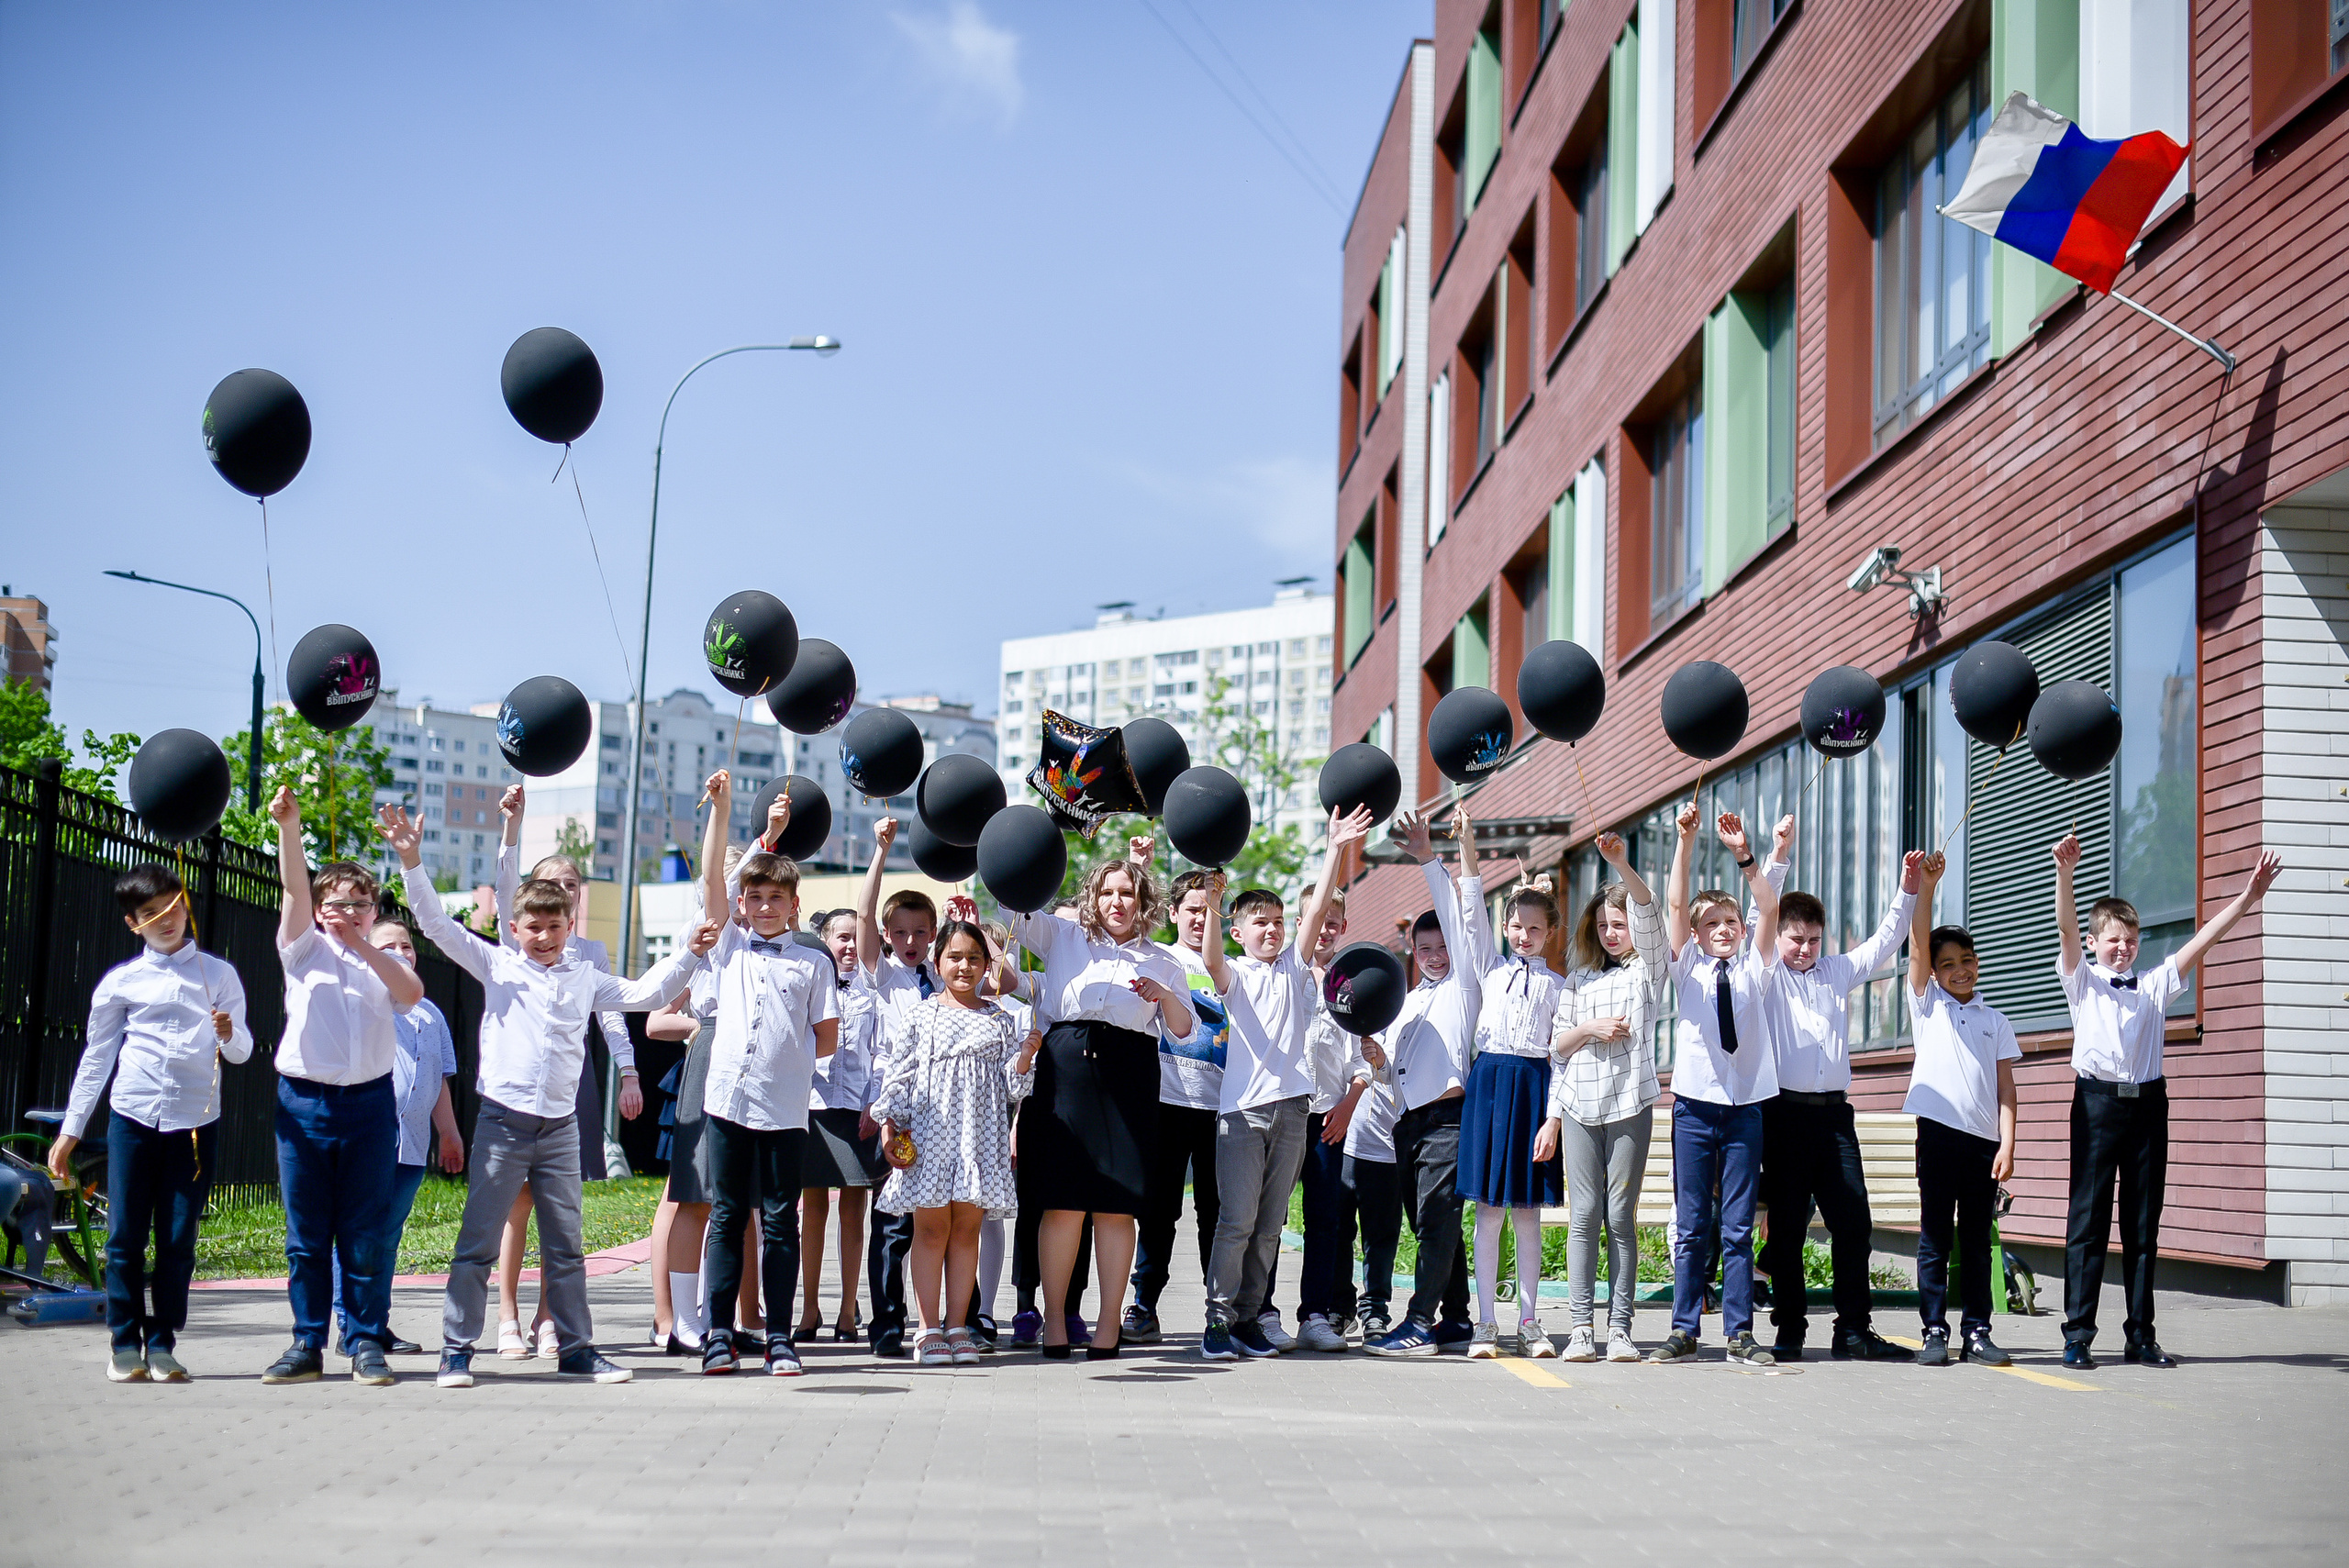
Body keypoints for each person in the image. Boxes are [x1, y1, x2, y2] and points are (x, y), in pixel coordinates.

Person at [380, 802, 709, 1389]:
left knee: (567, 1247)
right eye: (533, 927)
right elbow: (433, 922)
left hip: (560, 1129)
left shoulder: (584, 976)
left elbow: (648, 990)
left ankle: (578, 1350)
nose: (544, 937)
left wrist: (693, 950)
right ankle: (457, 1351)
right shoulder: (498, 965)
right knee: (479, 1240)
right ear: (514, 929)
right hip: (503, 1124)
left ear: (569, 927)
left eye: (555, 927)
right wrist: (411, 860)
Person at [2053, 833, 2282, 1369]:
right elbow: (2065, 927)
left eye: (2130, 940)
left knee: (2141, 1224)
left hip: (2148, 1108)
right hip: (2096, 1104)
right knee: (2087, 1224)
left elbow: (2202, 941)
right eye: (2112, 940)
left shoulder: (2154, 985)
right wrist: (2065, 876)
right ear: (2094, 943)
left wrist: (2246, 900)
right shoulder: (2082, 983)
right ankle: (2078, 1335)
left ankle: (2140, 1335)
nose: (2123, 948)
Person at [50, 862, 252, 1383]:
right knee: (124, 1237)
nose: (166, 919)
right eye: (150, 913)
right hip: (133, 1116)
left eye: (172, 905)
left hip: (194, 1123)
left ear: (186, 905)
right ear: (132, 923)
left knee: (179, 1238)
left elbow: (242, 1054)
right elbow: (97, 1057)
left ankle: (162, 1343)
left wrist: (229, 1033)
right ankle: (123, 1344)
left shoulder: (219, 974)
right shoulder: (121, 982)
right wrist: (71, 1131)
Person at [261, 787, 424, 1386]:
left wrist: (363, 943)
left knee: (363, 1232)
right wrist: (291, 826)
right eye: (338, 900)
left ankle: (363, 1340)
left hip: (368, 1106)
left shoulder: (382, 962)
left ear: (374, 908)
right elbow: (293, 889)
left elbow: (411, 995)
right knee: (306, 1235)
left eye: (362, 902)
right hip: (303, 1104)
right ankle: (306, 1342)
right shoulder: (301, 949)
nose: (350, 910)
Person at [1196, 806, 1368, 1361]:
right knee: (1236, 1221)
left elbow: (1318, 908)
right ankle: (1218, 1320)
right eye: (1259, 923)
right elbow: (1211, 955)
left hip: (1293, 1110)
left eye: (1277, 921)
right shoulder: (1236, 974)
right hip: (1243, 1115)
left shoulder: (1296, 966)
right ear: (1241, 931)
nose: (1271, 929)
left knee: (1269, 1226)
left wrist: (1335, 848)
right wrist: (1217, 902)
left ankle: (1249, 1318)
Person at [1009, 859, 1196, 1358]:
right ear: (1092, 897)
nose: (1117, 902)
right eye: (1108, 892)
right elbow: (1014, 901)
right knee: (1063, 1202)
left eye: (1128, 893)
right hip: (1066, 1066)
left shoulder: (1163, 960)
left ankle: (1109, 1325)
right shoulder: (1065, 938)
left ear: (1143, 902)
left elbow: (1183, 1028)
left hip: (1130, 1074)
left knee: (1116, 1207)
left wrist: (1162, 994)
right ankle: (1055, 1323)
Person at [1750, 818, 1920, 1362]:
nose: (1806, 949)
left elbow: (1885, 943)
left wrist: (1907, 888)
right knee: (1789, 1231)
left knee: (1853, 1222)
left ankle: (1853, 1330)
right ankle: (1790, 1329)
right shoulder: (1768, 974)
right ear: (1779, 938)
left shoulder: (1835, 972)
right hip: (1783, 1116)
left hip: (1833, 1117)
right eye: (1796, 939)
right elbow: (1761, 911)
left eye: (1814, 940)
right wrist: (1779, 853)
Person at [695, 772, 841, 1377]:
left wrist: (794, 1072)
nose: (761, 906)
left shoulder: (813, 960)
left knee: (781, 1218)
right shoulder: (728, 945)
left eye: (773, 899)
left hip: (784, 1108)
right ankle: (718, 1335)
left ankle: (780, 1336)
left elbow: (826, 1035)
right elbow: (713, 882)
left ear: (793, 905)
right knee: (729, 1213)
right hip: (728, 1101)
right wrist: (742, 822)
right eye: (753, 899)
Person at [488, 786, 642, 1360]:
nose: (563, 894)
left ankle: (548, 1318)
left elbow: (614, 1015)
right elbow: (505, 892)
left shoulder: (592, 954)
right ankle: (505, 1316)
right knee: (517, 1205)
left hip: (571, 1084)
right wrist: (512, 827)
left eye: (572, 885)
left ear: (579, 897)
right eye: (551, 884)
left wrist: (628, 1072)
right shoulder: (518, 942)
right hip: (518, 1083)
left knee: (561, 1206)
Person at [872, 918, 1042, 1365]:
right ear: (937, 960)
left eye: (974, 958)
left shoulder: (1000, 1020)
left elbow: (1012, 1088)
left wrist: (1025, 1057)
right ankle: (928, 1330)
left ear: (988, 965)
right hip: (929, 1136)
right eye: (955, 957)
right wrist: (891, 1129)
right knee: (930, 1232)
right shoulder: (921, 1014)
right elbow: (899, 1074)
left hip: (980, 1140)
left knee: (967, 1232)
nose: (964, 966)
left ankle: (958, 1325)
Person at [1650, 806, 1781, 1368]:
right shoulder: (1688, 969)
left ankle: (1739, 1333)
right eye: (1712, 925)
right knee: (1691, 1224)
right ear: (1698, 936)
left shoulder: (1758, 965)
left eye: (1731, 922)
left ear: (1742, 930)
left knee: (1736, 1226)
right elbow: (1675, 904)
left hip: (1744, 1111)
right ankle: (1683, 1329)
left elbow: (1770, 904)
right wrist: (1686, 840)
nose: (1723, 930)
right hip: (1696, 1110)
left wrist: (1746, 857)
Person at [1451, 801, 1570, 1360]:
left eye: (1535, 929)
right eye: (1517, 927)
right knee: (1488, 1212)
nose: (1524, 935)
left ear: (1550, 934)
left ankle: (1529, 1319)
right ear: (1506, 927)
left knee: (1527, 1212)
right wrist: (1467, 844)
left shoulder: (1559, 987)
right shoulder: (1490, 968)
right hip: (1490, 1083)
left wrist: (1553, 1118)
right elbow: (1471, 905)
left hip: (1532, 1088)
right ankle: (1485, 1324)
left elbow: (1563, 1058)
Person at [1542, 829, 1665, 1363]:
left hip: (1629, 1104)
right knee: (1583, 1215)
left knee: (1620, 1215)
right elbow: (1557, 1048)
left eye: (1619, 926)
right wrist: (1591, 1027)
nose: (1612, 933)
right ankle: (1581, 1330)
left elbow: (1650, 912)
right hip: (1579, 1106)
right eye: (1603, 926)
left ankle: (1620, 1328)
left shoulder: (1648, 972)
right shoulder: (1578, 980)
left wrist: (1620, 863)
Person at [1364, 810, 1482, 1358]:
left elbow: (1462, 922)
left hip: (1448, 1121)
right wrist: (1377, 1058)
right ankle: (1456, 1321)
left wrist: (1429, 857)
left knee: (1436, 1222)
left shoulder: (1464, 985)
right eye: (1424, 948)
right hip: (1406, 1124)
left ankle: (1417, 1323)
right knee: (1431, 1227)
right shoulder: (1406, 1003)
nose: (1434, 955)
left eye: (1441, 947)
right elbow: (1392, 1074)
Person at [327, 917, 464, 1358]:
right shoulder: (366, 1003)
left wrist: (450, 1134)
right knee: (358, 1233)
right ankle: (352, 1325)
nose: (401, 953)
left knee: (388, 1237)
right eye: (388, 946)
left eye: (407, 946)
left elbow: (439, 1079)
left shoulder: (429, 1011)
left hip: (412, 1145)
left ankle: (375, 1323)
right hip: (370, 1139)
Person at [1903, 851, 2020, 1367]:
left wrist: (2008, 1145)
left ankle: (1977, 1330)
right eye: (1946, 964)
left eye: (1965, 962)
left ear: (1978, 964)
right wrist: (1926, 888)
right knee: (1934, 1237)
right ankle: (1934, 1329)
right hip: (1937, 1136)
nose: (1957, 971)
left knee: (1976, 1241)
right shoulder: (1929, 1005)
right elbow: (1917, 947)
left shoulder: (1994, 1020)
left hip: (1982, 1145)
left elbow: (2006, 1090)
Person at [1121, 847, 1226, 1348]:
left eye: (1211, 911)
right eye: (1193, 911)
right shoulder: (1163, 959)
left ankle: (1219, 1310)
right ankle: (1144, 1304)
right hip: (1165, 1101)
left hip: (1221, 1107)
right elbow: (1129, 922)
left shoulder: (1231, 966)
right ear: (1173, 913)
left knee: (1216, 1213)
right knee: (1159, 1211)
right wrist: (1139, 865)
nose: (1202, 920)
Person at [855, 820, 936, 1359]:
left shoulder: (948, 975)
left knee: (943, 1220)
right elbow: (862, 916)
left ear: (934, 934)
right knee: (891, 1225)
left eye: (920, 933)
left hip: (946, 1110)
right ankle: (887, 1324)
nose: (910, 943)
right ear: (888, 936)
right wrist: (880, 852)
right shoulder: (883, 976)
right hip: (898, 1114)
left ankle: (952, 1319)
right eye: (900, 933)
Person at [797, 906, 885, 1343]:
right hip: (813, 1108)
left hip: (859, 1110)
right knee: (813, 1209)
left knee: (854, 1210)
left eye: (856, 938)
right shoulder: (811, 984)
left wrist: (875, 1102)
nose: (850, 946)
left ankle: (849, 1309)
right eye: (841, 938)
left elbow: (883, 1051)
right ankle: (809, 1307)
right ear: (824, 942)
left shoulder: (873, 991)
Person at [1295, 885, 1374, 1352]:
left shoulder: (1350, 983)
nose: (1323, 928)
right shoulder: (1286, 973)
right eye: (1315, 918)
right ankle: (1259, 1311)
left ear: (1343, 928)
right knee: (1267, 1217)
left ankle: (1316, 1314)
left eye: (1332, 921)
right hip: (1282, 1112)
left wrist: (1349, 1101)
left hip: (1329, 1114)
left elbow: (1361, 1056)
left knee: (1324, 1220)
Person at [1337, 1029, 1404, 1340]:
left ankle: (1375, 1311)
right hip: (1348, 1141)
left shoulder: (1409, 1014)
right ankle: (1339, 1307)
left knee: (1381, 1239)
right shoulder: (1351, 1018)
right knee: (1338, 1232)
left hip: (1390, 1150)